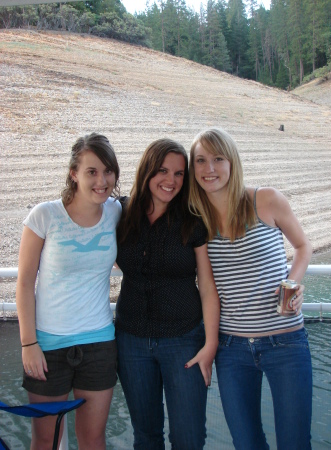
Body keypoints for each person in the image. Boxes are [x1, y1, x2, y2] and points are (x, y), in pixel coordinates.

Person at [189, 127, 313, 450]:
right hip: (231, 350)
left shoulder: (266, 200)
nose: (209, 169)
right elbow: (208, 288)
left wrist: (294, 281)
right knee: (246, 444)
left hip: (285, 341)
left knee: (295, 444)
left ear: (232, 161)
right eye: (200, 161)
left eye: (218, 158)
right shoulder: (196, 218)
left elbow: (303, 246)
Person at [16, 133, 121, 450]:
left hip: (99, 343)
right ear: (74, 173)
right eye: (92, 171)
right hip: (47, 346)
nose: (101, 181)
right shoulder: (45, 216)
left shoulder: (116, 212)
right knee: (46, 439)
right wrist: (28, 342)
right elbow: (23, 283)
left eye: (108, 171)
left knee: (92, 438)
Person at [115, 138, 220, 450]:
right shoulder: (120, 214)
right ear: (147, 170)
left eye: (179, 174)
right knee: (146, 437)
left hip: (185, 342)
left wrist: (210, 344)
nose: (171, 181)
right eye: (163, 171)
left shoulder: (192, 220)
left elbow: (208, 288)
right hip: (130, 341)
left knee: (188, 439)